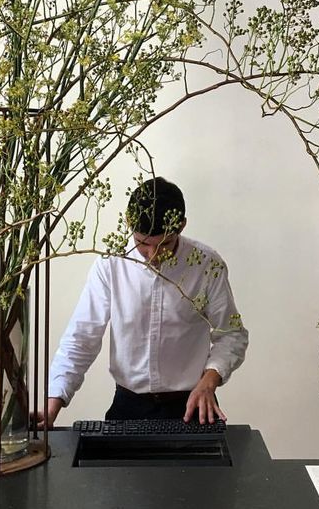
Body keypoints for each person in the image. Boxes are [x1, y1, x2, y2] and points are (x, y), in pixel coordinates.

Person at [38, 176, 248, 427]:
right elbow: (82, 338)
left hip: (193, 405)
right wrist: (52, 405)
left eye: (165, 245)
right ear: (129, 224)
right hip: (128, 405)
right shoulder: (110, 264)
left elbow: (232, 333)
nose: (154, 256)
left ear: (181, 226)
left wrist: (210, 380)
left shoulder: (206, 264)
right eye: (143, 244)